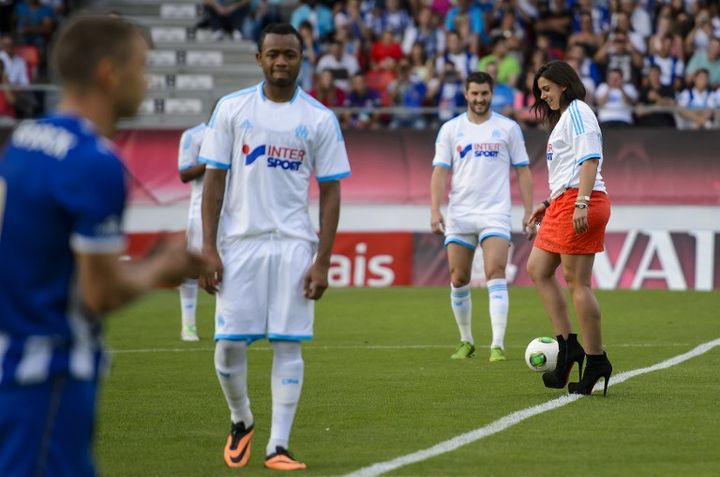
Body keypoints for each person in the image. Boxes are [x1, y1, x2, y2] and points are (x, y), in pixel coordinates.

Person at [0, 15, 204, 477]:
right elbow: (100, 293)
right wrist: (162, 266)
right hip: (48, 375)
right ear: (109, 73)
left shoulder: (24, 140)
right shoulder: (94, 162)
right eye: (141, 66)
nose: (146, 81)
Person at [199, 22, 350, 471]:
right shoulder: (231, 109)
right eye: (273, 54)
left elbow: (331, 191)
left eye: (290, 54)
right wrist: (208, 247)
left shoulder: (319, 118)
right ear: (259, 58)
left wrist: (322, 260)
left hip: (293, 246)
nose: (281, 61)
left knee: (288, 344)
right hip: (239, 244)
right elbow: (214, 181)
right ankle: (241, 418)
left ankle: (277, 446)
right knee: (227, 347)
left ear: (301, 59)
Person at [430, 71, 535, 362]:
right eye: (474, 93)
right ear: (465, 94)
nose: (479, 99)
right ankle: (466, 341)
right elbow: (439, 171)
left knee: (495, 273)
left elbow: (523, 170)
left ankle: (497, 345)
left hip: (495, 212)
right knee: (458, 277)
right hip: (460, 213)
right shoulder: (451, 129)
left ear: (492, 94)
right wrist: (434, 209)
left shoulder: (508, 128)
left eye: (484, 94)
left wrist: (527, 210)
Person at [527, 60, 612, 396]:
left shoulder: (578, 111)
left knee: (577, 282)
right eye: (540, 91)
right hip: (564, 201)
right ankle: (568, 346)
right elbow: (567, 170)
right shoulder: (566, 117)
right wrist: (548, 204)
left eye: (547, 88)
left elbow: (589, 159)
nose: (543, 95)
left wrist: (582, 202)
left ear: (564, 84)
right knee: (538, 269)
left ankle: (595, 359)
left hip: (582, 201)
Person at [177, 122, 208, 341]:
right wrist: (212, 162)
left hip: (237, 210)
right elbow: (185, 174)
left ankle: (230, 325)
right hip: (202, 210)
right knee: (194, 267)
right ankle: (188, 325)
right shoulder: (194, 135)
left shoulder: (244, 133)